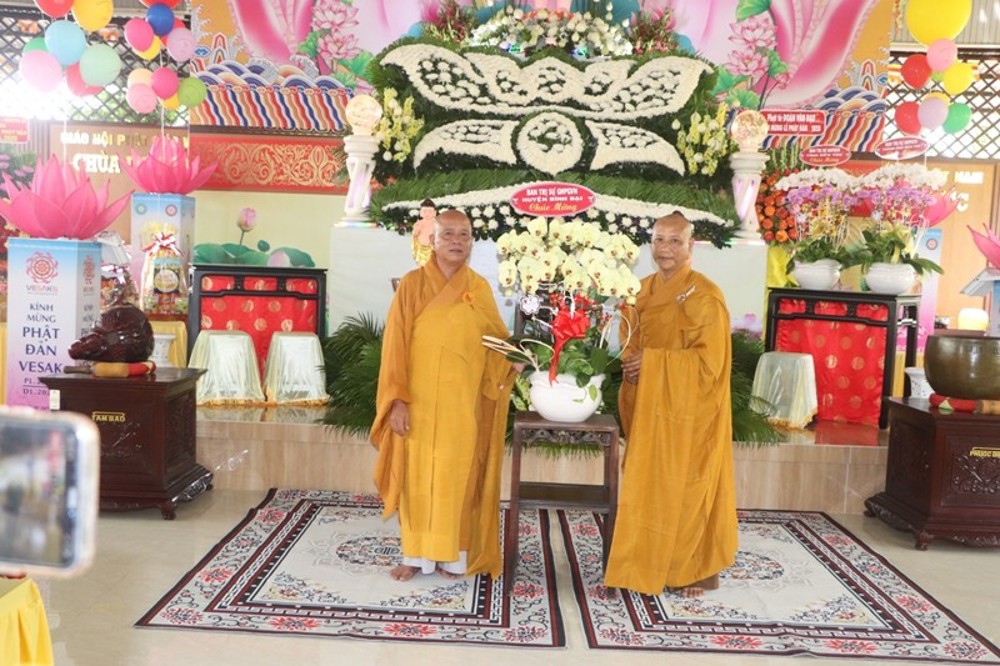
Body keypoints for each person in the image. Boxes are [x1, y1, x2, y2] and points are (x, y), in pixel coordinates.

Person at [371, 209, 517, 582]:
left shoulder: (479, 288)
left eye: (463, 234)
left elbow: (497, 343)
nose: (456, 241)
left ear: (472, 242)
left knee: (458, 476)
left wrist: (515, 360)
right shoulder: (412, 285)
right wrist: (397, 400)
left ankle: (454, 557)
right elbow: (395, 346)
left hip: (462, 404)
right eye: (448, 234)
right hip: (417, 403)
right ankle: (415, 556)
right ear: (432, 240)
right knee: (417, 478)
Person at [604, 212, 738, 598]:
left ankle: (689, 570)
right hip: (651, 406)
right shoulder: (641, 290)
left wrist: (653, 362)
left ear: (690, 246)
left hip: (691, 412)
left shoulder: (706, 295)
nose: (665, 248)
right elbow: (630, 340)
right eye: (659, 240)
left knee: (687, 488)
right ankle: (644, 562)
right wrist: (634, 364)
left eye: (675, 241)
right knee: (648, 485)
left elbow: (710, 364)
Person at [410, 199, 436, 266]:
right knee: (423, 266)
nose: (427, 214)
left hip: (432, 249)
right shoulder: (419, 223)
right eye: (425, 211)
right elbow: (415, 234)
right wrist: (417, 229)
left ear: (434, 213)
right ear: (420, 213)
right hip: (421, 249)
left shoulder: (436, 223)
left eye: (430, 211)